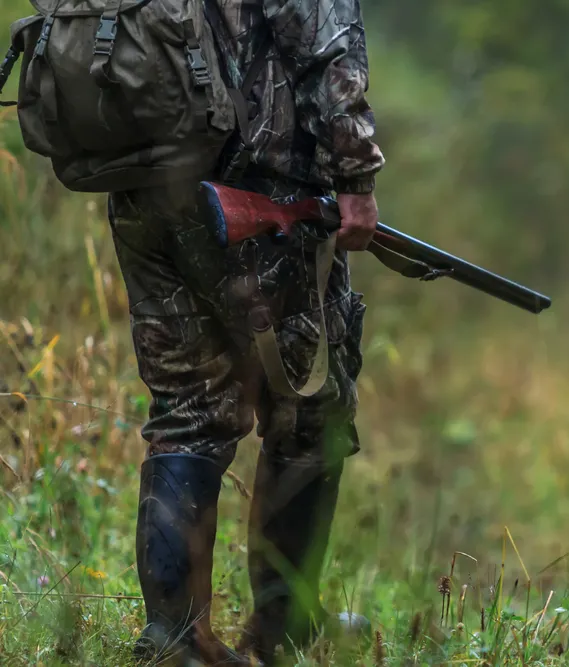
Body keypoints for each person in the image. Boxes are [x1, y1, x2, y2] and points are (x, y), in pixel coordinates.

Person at [106, 0, 385, 664]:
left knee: (188, 408)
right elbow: (327, 46)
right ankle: (284, 629)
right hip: (261, 188)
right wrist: (358, 179)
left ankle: (174, 638)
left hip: (141, 190)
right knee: (310, 411)